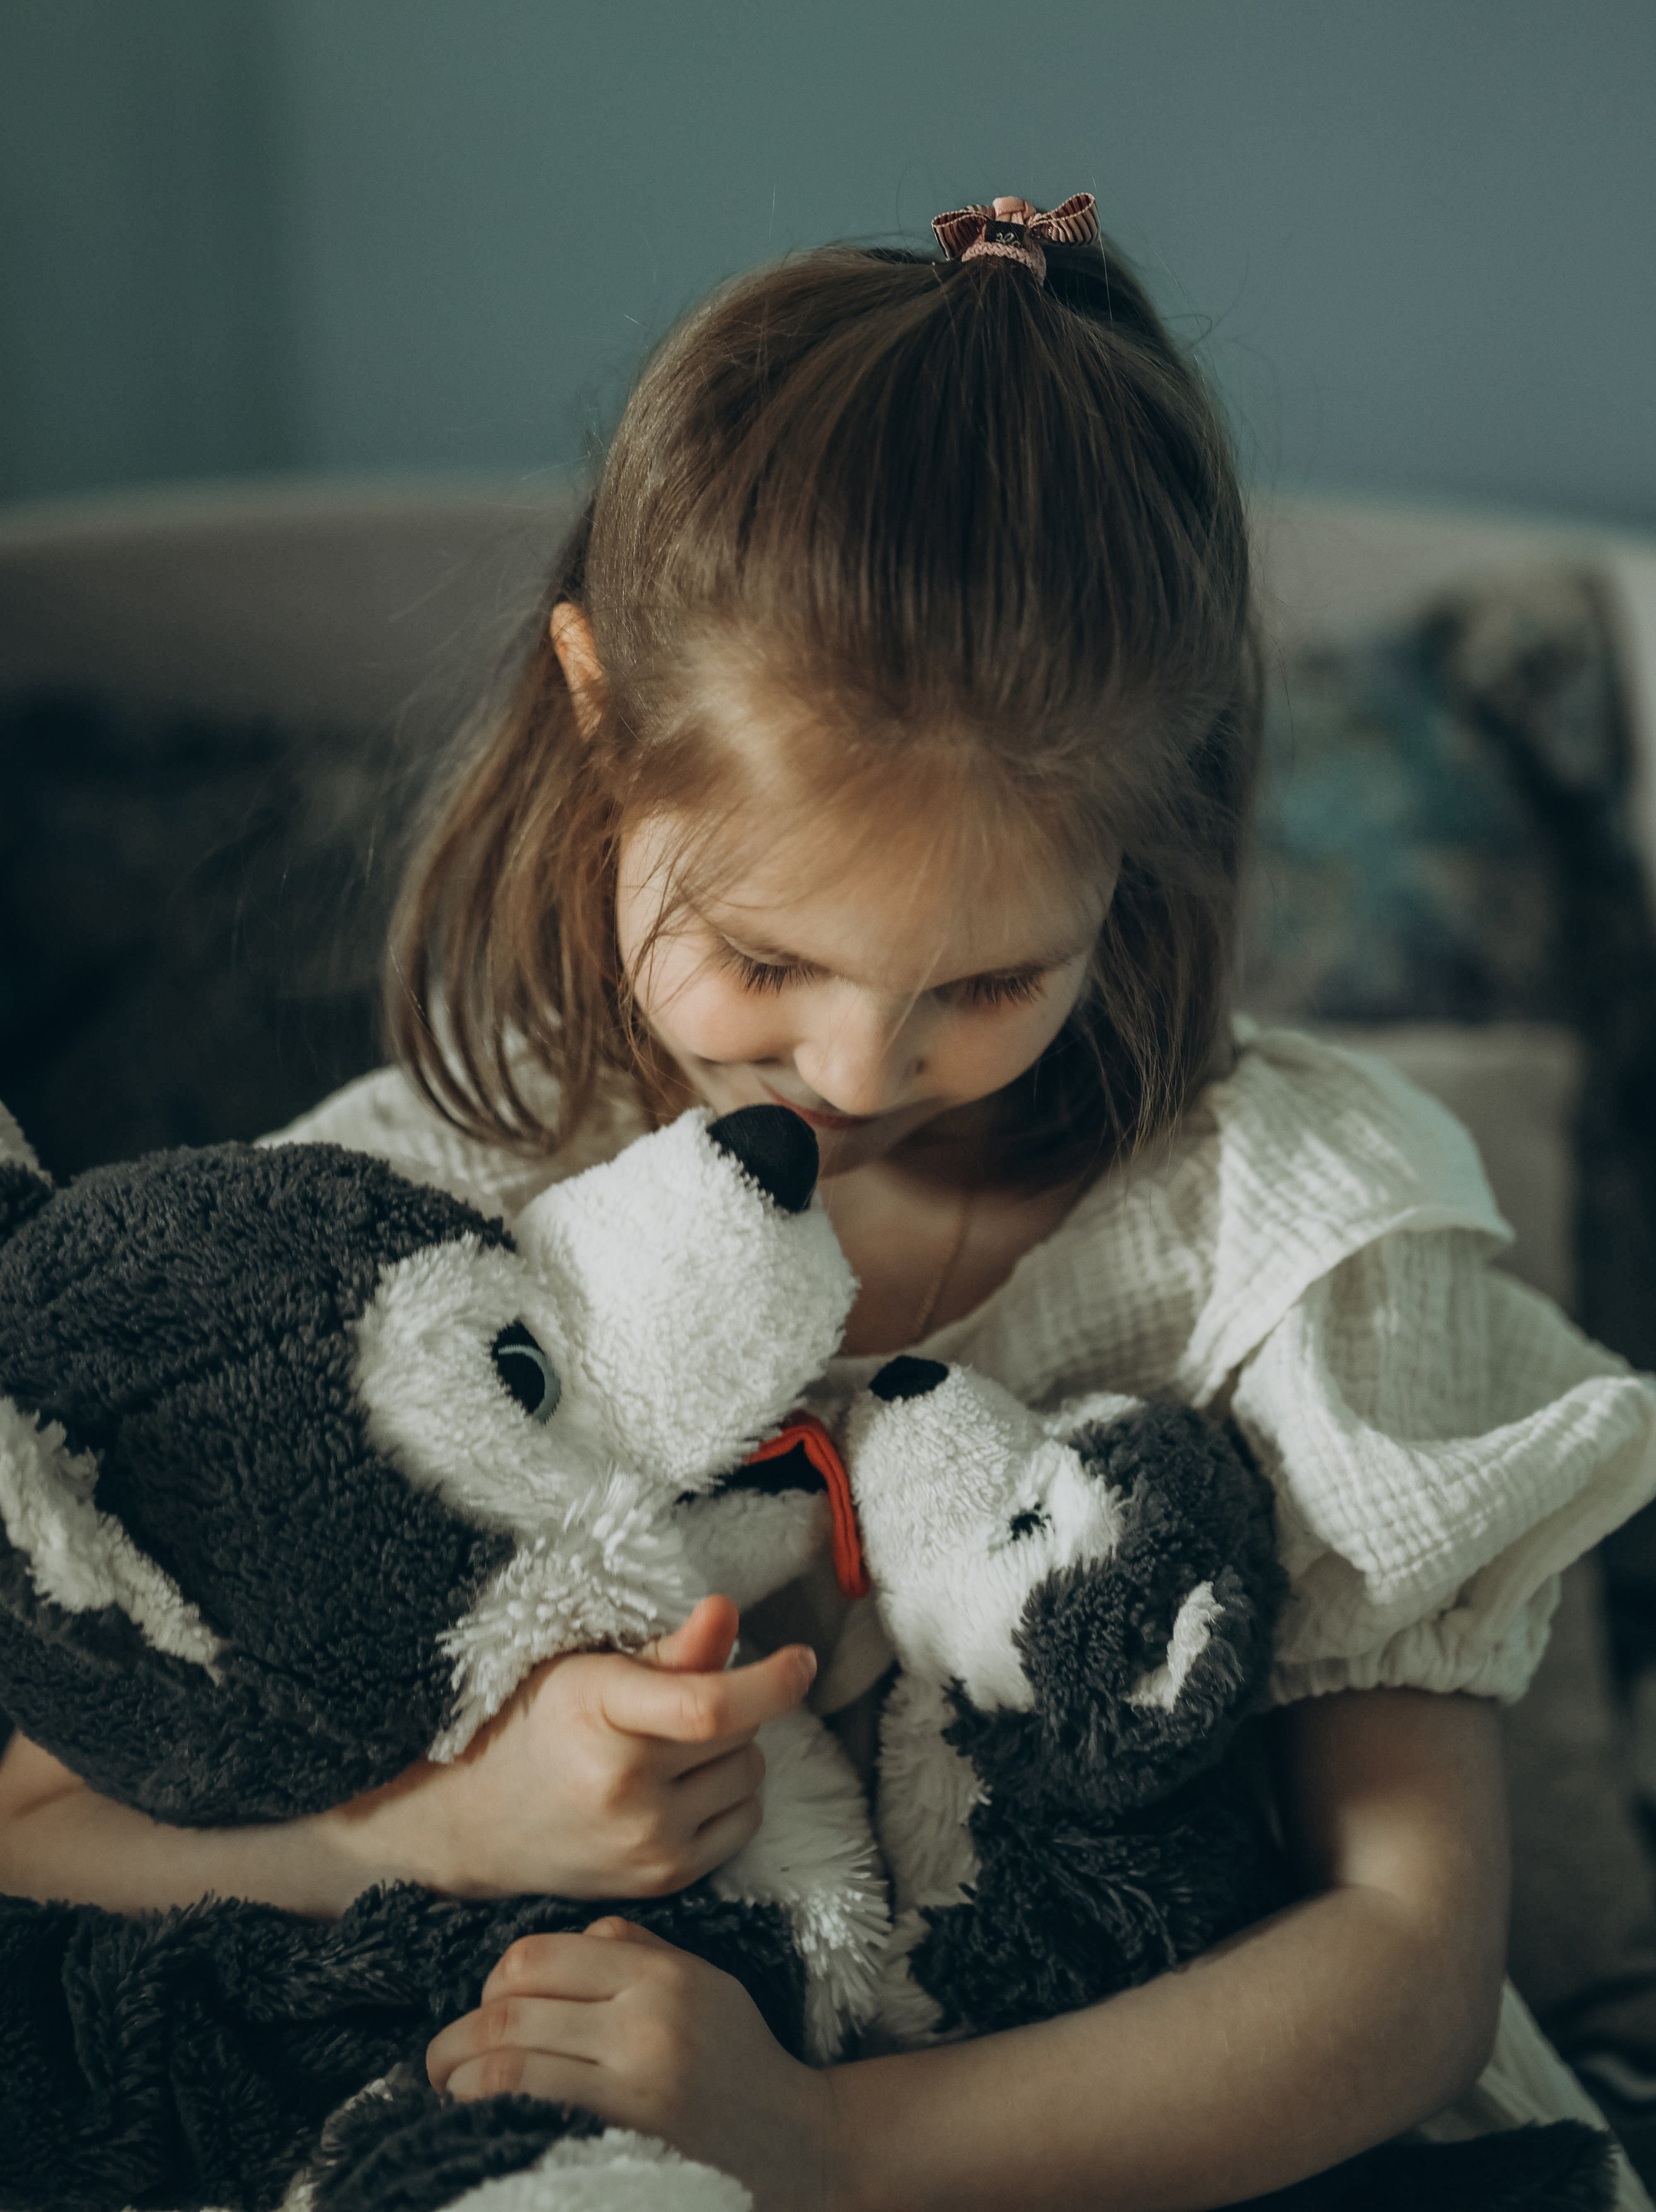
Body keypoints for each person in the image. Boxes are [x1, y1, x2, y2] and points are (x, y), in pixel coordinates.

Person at [3, 194, 1654, 2212]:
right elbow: (36, 1825)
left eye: (993, 982)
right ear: (598, 715)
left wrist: (827, 2145)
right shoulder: (397, 1233)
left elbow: (1410, 1971)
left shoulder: (1294, 1224)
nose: (860, 1073)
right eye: (767, 959)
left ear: (1141, 857)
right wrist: (437, 1829)